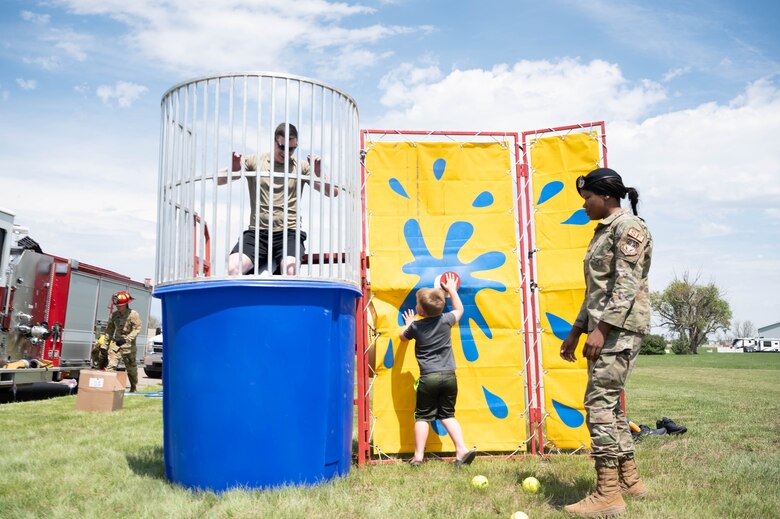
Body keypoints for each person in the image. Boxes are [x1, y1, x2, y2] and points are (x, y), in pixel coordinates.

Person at [559, 167, 653, 517]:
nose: (584, 206)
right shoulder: (603, 231)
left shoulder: (629, 228)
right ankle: (629, 481)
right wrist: (576, 330)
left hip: (619, 330)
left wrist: (602, 330)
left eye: (588, 199)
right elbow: (596, 291)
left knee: (598, 404)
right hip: (606, 328)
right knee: (610, 406)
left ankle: (608, 496)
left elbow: (626, 285)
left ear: (607, 196)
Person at [221, 122, 337, 276]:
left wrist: (319, 172)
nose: (286, 152)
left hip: (289, 232)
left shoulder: (301, 167)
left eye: (291, 149)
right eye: (282, 147)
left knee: (290, 270)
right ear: (275, 142)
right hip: (258, 232)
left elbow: (333, 192)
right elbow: (218, 179)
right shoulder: (256, 161)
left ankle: (283, 296)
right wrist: (233, 169)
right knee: (232, 268)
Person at [399, 273, 477, 467]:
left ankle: (418, 456)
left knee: (423, 416)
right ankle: (461, 450)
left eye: (417, 304)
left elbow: (402, 337)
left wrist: (408, 324)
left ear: (421, 311)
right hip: (449, 376)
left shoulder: (416, 326)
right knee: (447, 415)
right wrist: (452, 290)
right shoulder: (445, 320)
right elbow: (459, 309)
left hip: (429, 378)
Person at [104, 291, 142, 393]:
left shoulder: (133, 315)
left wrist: (126, 339)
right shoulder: (114, 315)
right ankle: (107, 389)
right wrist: (105, 345)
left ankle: (134, 388)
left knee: (131, 370)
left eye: (120, 305)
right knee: (111, 366)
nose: (118, 307)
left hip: (129, 347)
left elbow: (137, 329)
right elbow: (109, 330)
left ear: (125, 304)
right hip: (116, 345)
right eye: (117, 305)